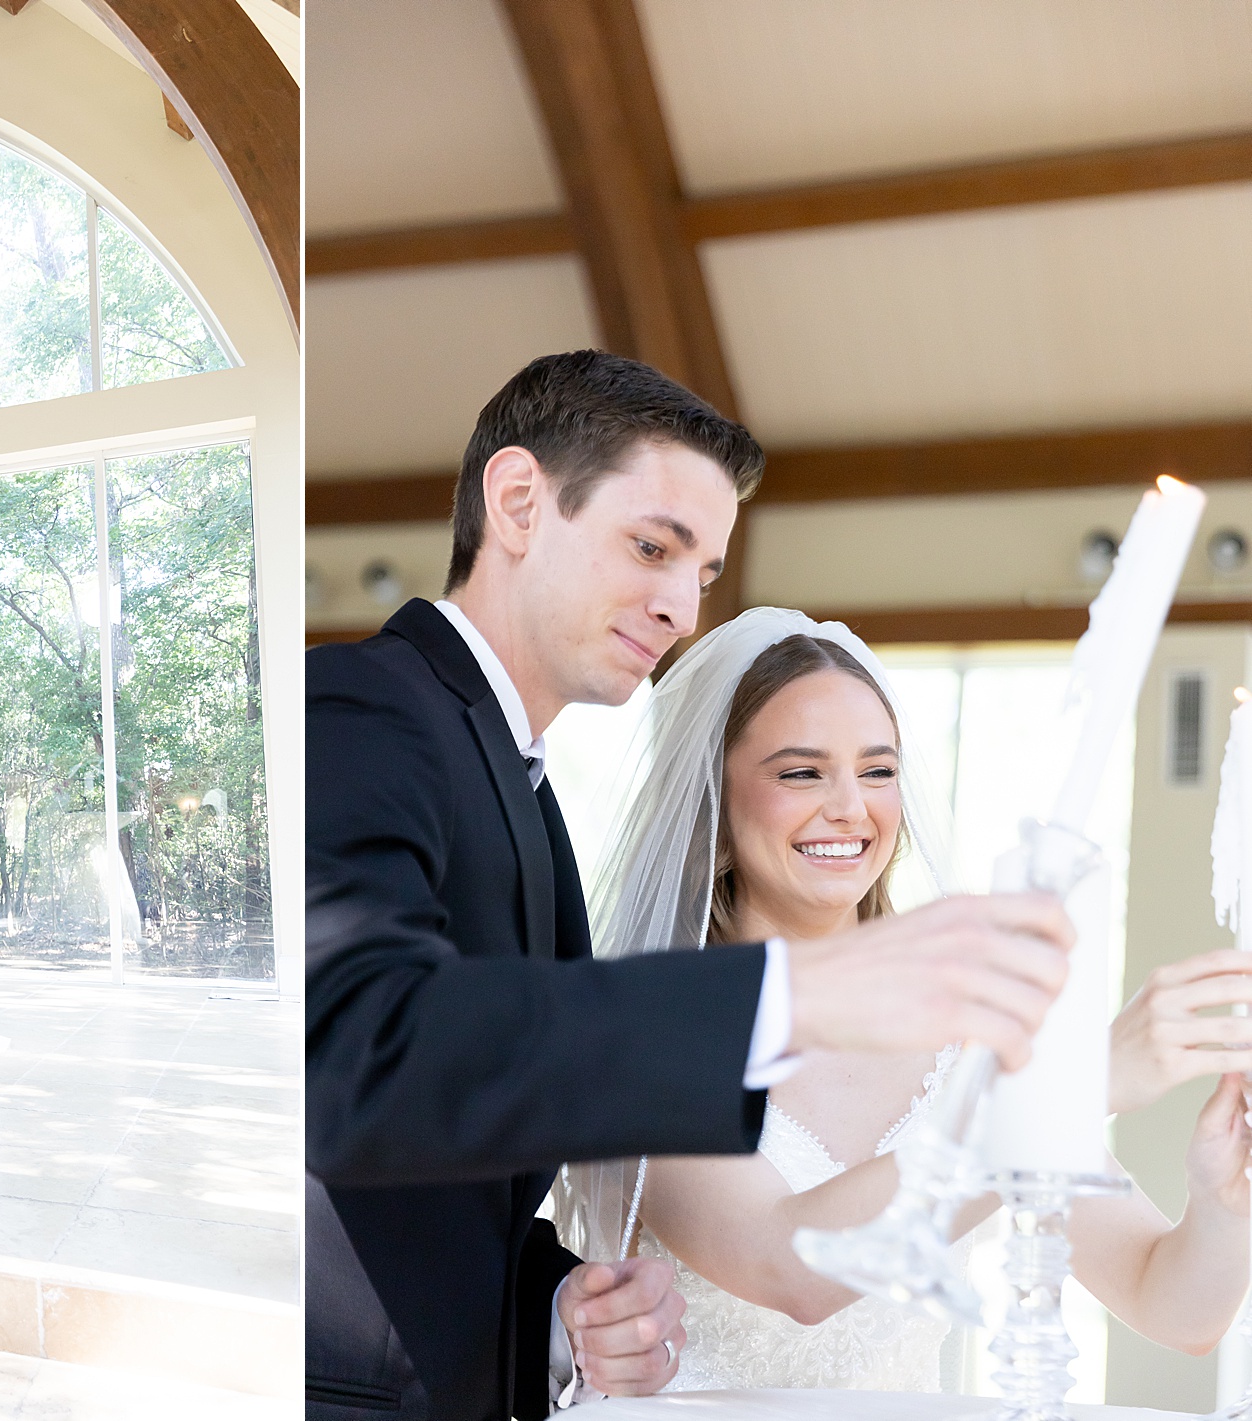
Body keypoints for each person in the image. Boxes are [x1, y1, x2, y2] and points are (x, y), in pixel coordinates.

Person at [306, 351, 1075, 1421]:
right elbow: (354, 1051)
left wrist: (556, 1305)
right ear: (519, 500)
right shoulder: (363, 707)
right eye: (651, 547)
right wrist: (795, 994)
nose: (678, 605)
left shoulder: (520, 789)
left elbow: (441, 1177)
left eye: (702, 573)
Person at [550, 612, 1251, 1389]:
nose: (852, 807)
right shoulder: (657, 1035)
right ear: (715, 814)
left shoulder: (971, 1036)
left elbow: (1174, 1307)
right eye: (800, 772)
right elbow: (792, 1269)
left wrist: (1224, 1200)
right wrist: (1076, 1087)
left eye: (878, 771)